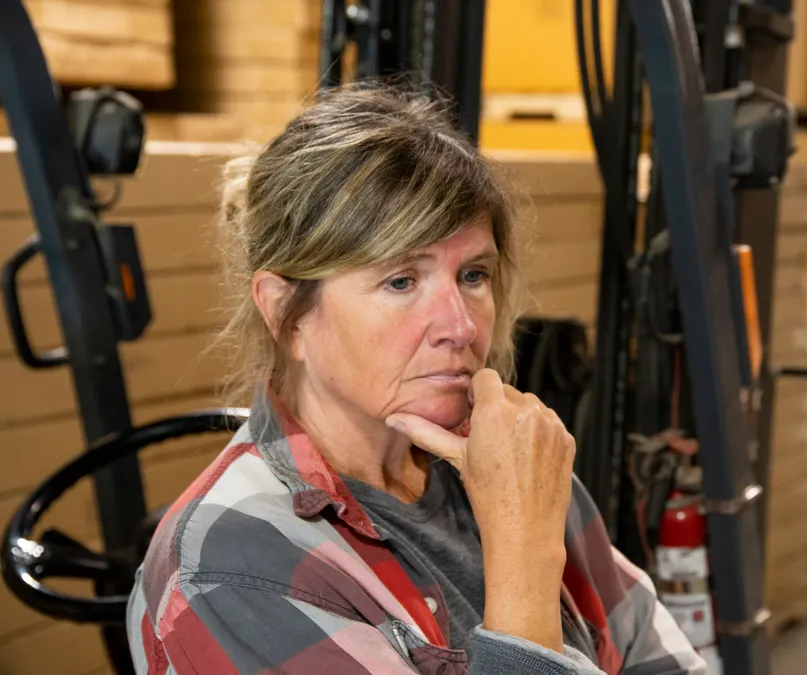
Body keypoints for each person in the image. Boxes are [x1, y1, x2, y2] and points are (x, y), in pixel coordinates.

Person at [125, 84, 706, 675]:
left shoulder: (507, 468)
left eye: (474, 274)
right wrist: (523, 560)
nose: (460, 325)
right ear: (285, 314)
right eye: (401, 281)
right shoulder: (234, 566)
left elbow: (657, 655)